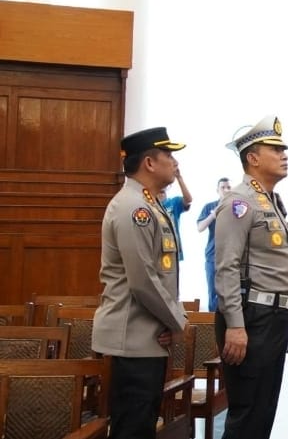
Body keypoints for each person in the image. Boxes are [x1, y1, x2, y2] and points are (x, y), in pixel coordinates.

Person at [92, 126, 189, 439]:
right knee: (132, 429)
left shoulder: (150, 204)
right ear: (149, 163)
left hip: (146, 337)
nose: (175, 162)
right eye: (169, 155)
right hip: (132, 338)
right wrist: (177, 322)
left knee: (142, 425)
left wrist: (173, 321)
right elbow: (143, 280)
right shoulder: (134, 208)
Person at [214, 115, 288, 439]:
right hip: (251, 317)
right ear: (252, 158)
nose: (284, 154)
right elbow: (227, 268)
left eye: (284, 149)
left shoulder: (271, 202)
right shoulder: (239, 202)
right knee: (248, 413)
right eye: (275, 149)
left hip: (273, 317)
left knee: (262, 413)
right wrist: (235, 325)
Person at [197, 176, 231, 312]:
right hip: (213, 257)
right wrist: (213, 215)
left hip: (232, 257)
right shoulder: (209, 206)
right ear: (217, 190)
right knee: (213, 294)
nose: (226, 190)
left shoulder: (237, 207)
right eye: (223, 187)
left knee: (231, 294)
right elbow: (200, 227)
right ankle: (213, 330)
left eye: (229, 187)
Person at [157, 168, 193, 260]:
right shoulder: (149, 204)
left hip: (172, 247)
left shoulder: (174, 202)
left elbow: (188, 199)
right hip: (156, 249)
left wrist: (179, 178)